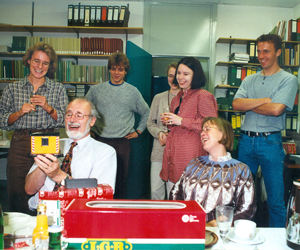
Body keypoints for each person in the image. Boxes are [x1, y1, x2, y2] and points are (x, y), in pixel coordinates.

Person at [232, 33, 298, 227]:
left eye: (266, 51)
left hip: (270, 143)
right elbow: (236, 104)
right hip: (245, 141)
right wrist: (264, 101)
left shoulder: (288, 80)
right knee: (241, 198)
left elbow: (277, 110)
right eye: (259, 51)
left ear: (278, 52)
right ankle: (241, 237)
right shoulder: (249, 79)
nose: (261, 56)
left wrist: (249, 104)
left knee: (275, 200)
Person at [0, 42, 68, 214]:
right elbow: (2, 121)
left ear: (50, 66)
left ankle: (44, 230)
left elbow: (64, 121)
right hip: (20, 141)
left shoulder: (58, 89)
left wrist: (48, 108)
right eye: (36, 61)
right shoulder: (12, 89)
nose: (40, 66)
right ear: (28, 61)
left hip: (47, 141)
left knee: (46, 188)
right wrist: (19, 113)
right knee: (17, 189)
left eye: (45, 63)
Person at [25, 98, 117, 210]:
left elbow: (101, 197)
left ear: (92, 121)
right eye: (68, 115)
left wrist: (58, 176)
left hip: (78, 212)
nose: (72, 120)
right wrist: (44, 166)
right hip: (41, 211)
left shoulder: (105, 152)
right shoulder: (52, 144)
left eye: (79, 116)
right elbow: (29, 189)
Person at [170, 117, 256, 226]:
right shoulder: (194, 163)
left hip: (218, 232)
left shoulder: (241, 170)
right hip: (187, 226)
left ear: (223, 134)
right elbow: (175, 193)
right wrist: (183, 217)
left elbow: (247, 210)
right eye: (202, 130)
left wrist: (215, 223)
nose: (202, 133)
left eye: (207, 129)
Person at [85, 52, 149, 199]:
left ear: (126, 71)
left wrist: (139, 131)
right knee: (96, 179)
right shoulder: (96, 90)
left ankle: (117, 210)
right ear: (109, 69)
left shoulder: (132, 92)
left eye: (120, 69)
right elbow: (84, 109)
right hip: (98, 141)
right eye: (113, 68)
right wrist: (88, 130)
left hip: (122, 143)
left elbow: (146, 112)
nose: (116, 73)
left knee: (120, 179)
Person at [160, 57, 218, 197]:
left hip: (191, 161)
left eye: (186, 74)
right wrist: (169, 125)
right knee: (173, 204)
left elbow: (212, 126)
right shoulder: (177, 98)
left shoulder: (203, 96)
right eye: (179, 73)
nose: (180, 77)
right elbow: (180, 126)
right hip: (172, 159)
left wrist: (181, 121)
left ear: (195, 75)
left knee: (188, 207)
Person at [147, 62, 180, 200]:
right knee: (155, 191)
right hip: (159, 150)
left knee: (174, 192)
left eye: (176, 76)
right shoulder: (158, 98)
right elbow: (150, 123)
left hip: (178, 151)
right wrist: (159, 132)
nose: (173, 80)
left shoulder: (188, 99)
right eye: (170, 76)